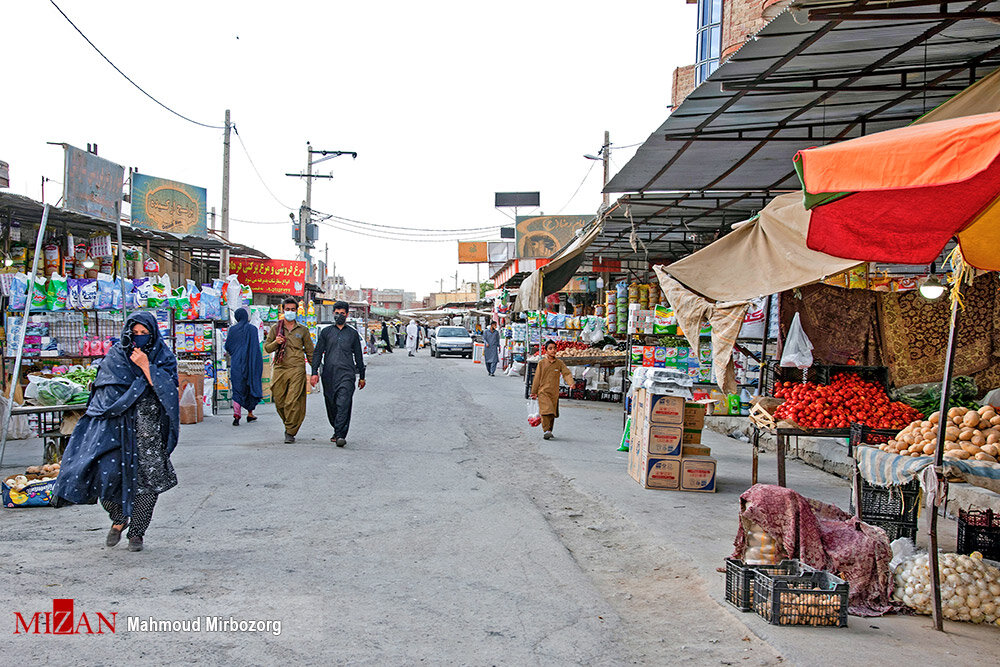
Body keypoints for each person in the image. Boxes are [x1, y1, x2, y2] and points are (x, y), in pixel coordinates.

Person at [53, 312, 179, 552]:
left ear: (153, 335)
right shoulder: (115, 356)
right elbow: (101, 392)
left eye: (145, 334)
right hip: (115, 430)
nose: (139, 338)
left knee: (148, 483)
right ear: (127, 333)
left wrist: (146, 366)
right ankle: (119, 518)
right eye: (135, 333)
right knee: (105, 475)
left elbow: (170, 391)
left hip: (147, 432)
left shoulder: (163, 357)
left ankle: (137, 533)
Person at [311, 301, 366, 447]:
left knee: (344, 402)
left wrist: (362, 376)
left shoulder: (352, 334)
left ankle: (341, 435)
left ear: (347, 315)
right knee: (331, 404)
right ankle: (337, 429)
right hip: (329, 374)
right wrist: (314, 372)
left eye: (342, 313)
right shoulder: (326, 332)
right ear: (333, 314)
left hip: (347, 374)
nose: (340, 316)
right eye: (337, 313)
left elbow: (359, 356)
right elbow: (317, 353)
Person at [264, 297, 315, 443]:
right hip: (280, 367)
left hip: (297, 368)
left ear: (297, 311)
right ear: (283, 310)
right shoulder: (276, 329)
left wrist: (315, 372)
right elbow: (267, 348)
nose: (290, 312)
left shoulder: (303, 330)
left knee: (292, 400)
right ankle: (289, 422)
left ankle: (290, 431)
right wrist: (276, 342)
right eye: (288, 310)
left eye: (293, 310)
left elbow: (310, 351)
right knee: (280, 400)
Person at [225, 307, 263, 426]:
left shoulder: (232, 330)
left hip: (237, 364)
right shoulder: (252, 329)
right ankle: (250, 413)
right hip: (251, 363)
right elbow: (256, 348)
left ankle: (237, 415)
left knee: (237, 388)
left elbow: (228, 346)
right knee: (249, 386)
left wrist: (236, 353)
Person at [530, 340, 574, 440]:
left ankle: (549, 430)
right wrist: (534, 392)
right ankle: (546, 430)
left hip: (554, 393)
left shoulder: (559, 363)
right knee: (546, 411)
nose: (553, 350)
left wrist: (571, 383)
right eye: (550, 349)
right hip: (543, 392)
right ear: (546, 351)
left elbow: (566, 373)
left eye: (554, 348)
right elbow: (537, 378)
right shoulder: (542, 363)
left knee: (552, 413)